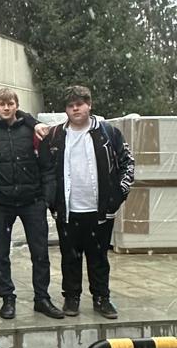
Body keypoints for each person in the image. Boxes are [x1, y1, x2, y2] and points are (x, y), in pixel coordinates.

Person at [46, 85, 134, 320]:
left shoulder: (108, 133)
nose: (76, 109)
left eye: (80, 104)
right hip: (67, 210)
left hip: (100, 210)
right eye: (70, 105)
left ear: (89, 105)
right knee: (70, 258)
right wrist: (51, 199)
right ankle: (71, 298)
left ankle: (102, 298)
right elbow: (44, 169)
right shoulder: (55, 135)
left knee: (99, 259)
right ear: (66, 109)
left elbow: (128, 163)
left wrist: (118, 195)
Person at [0, 88, 63, 320]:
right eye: (1, 104)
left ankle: (42, 299)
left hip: (32, 201)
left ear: (16, 105)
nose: (6, 108)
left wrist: (46, 199)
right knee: (1, 255)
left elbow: (47, 167)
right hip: (1, 203)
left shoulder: (32, 130)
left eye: (10, 103)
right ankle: (7, 299)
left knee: (40, 254)